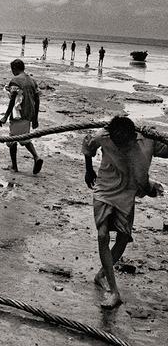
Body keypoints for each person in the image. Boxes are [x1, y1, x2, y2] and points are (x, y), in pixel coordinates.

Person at [82, 116, 166, 308]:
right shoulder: (103, 135)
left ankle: (102, 274)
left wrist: (157, 134)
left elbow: (166, 148)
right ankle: (114, 291)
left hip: (128, 192)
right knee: (102, 234)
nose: (119, 145)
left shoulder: (147, 140)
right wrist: (88, 170)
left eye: (124, 142)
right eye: (115, 141)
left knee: (122, 238)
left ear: (133, 136)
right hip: (105, 188)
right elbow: (88, 145)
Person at [0, 59, 43, 174]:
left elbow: (12, 100)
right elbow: (37, 100)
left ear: (14, 69)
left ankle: (15, 166)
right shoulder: (32, 81)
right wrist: (35, 118)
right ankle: (36, 157)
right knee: (24, 137)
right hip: (29, 114)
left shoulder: (15, 81)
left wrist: (5, 116)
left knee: (12, 139)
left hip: (18, 114)